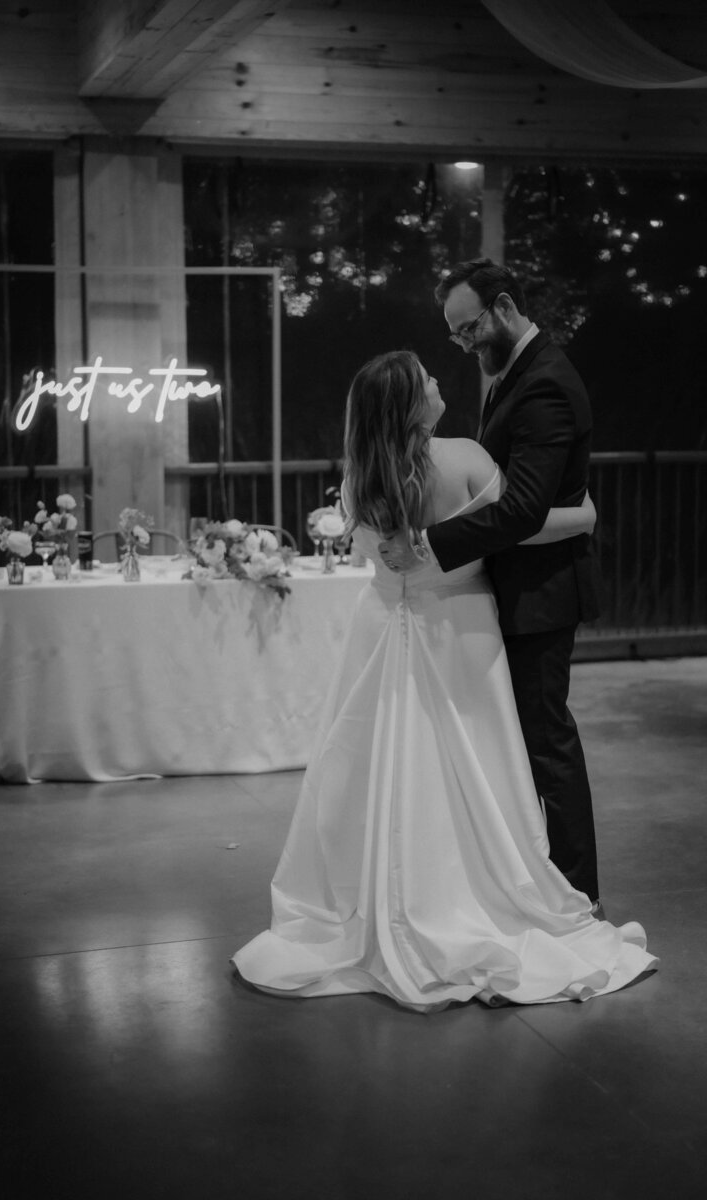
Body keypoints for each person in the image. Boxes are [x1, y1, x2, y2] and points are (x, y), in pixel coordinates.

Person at [232, 351, 656, 1012]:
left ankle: (376, 895)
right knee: (478, 769)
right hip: (461, 634)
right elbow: (520, 525)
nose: (438, 382)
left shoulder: (357, 479)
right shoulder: (463, 459)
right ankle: (478, 889)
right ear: (410, 404)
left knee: (378, 768)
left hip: (381, 633)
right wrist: (585, 513)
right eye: (427, 378)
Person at [379, 259, 602, 911]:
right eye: (454, 335)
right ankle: (535, 881)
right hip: (520, 585)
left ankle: (581, 896)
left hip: (542, 593)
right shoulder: (515, 375)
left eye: (468, 327)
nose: (463, 343)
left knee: (546, 746)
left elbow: (524, 507)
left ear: (503, 307)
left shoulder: (544, 385)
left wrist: (430, 544)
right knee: (525, 745)